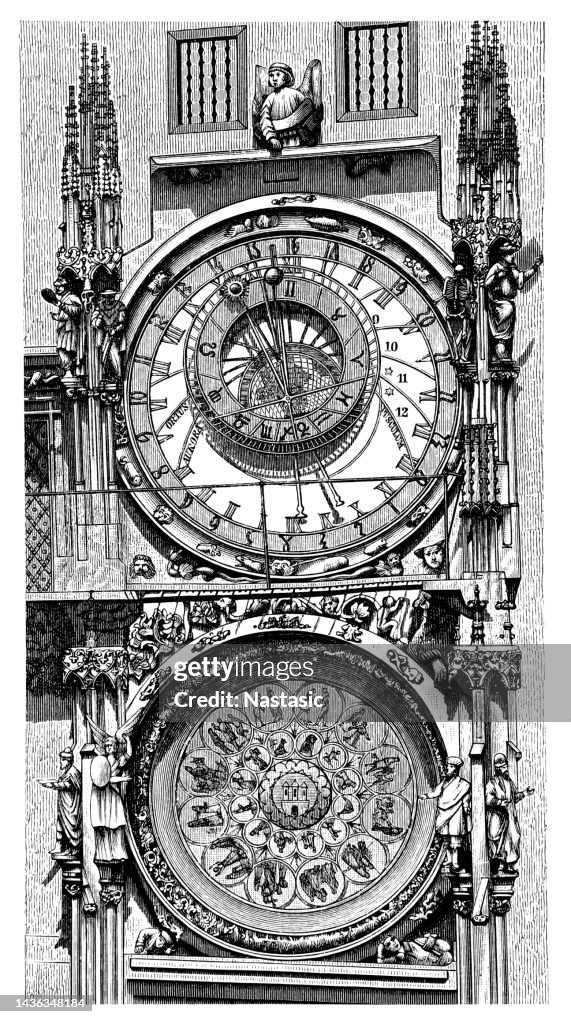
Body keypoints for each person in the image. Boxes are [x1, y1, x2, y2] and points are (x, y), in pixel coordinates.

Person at [484, 246, 543, 360]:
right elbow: (486, 283)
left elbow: (523, 276)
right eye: (509, 254)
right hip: (498, 303)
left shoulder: (512, 269)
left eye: (512, 254)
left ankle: (501, 349)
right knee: (503, 322)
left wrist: (535, 267)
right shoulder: (497, 267)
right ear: (503, 256)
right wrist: (498, 276)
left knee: (508, 316)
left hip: (508, 303)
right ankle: (499, 348)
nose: (512, 256)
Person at [420, 756, 471, 871]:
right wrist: (425, 796)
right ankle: (449, 859)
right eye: (447, 766)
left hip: (455, 812)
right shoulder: (444, 782)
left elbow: (465, 797)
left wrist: (466, 805)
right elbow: (436, 793)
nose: (447, 768)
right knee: (446, 837)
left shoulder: (463, 784)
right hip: (443, 812)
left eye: (451, 766)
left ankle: (455, 861)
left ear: (456, 769)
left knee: (455, 838)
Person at [485, 752, 534, 872]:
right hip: (498, 816)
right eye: (503, 767)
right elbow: (488, 799)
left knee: (513, 838)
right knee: (498, 839)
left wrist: (524, 793)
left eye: (506, 766)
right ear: (497, 769)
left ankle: (510, 864)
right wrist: (500, 803)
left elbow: (514, 797)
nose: (506, 769)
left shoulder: (510, 782)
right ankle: (501, 865)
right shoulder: (492, 783)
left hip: (510, 816)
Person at [90, 734, 131, 863]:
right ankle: (103, 854)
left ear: (116, 747)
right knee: (103, 825)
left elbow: (128, 755)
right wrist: (122, 779)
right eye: (106, 746)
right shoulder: (101, 761)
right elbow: (104, 779)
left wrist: (128, 740)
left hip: (113, 795)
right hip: (103, 795)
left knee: (117, 824)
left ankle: (118, 853)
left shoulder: (118, 761)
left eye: (111, 745)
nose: (108, 747)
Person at [257, 63, 314, 150]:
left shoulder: (296, 94)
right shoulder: (270, 99)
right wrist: (271, 137)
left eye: (278, 75)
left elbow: (306, 110)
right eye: (271, 75)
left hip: (297, 138)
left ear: (286, 77)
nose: (274, 78)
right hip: (278, 140)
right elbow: (265, 119)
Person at [39, 747, 82, 859]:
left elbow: (68, 785)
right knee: (60, 826)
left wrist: (51, 785)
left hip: (71, 808)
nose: (60, 762)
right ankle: (60, 847)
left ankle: (72, 849)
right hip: (64, 807)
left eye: (63, 760)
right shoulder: (67, 772)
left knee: (70, 827)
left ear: (69, 760)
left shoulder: (73, 772)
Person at [49, 277, 83, 374]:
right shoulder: (63, 298)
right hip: (63, 329)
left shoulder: (73, 297)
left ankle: (69, 371)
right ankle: (67, 371)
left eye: (60, 286)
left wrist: (61, 305)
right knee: (62, 349)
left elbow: (78, 310)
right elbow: (65, 315)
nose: (57, 289)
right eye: (56, 287)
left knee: (68, 349)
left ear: (66, 286)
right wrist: (57, 317)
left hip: (71, 329)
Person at [91, 289, 126, 378]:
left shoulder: (120, 306)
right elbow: (94, 321)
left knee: (114, 355)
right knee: (103, 355)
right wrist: (97, 321)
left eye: (110, 297)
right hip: (104, 335)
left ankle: (117, 375)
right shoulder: (100, 306)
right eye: (106, 297)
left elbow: (122, 323)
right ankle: (106, 375)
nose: (108, 299)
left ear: (113, 297)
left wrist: (115, 330)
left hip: (116, 336)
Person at [443, 264, 476, 360]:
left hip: (463, 312)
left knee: (464, 335)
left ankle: (462, 355)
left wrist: (472, 311)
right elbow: (445, 294)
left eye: (460, 274)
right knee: (452, 335)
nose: (458, 276)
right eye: (457, 274)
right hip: (450, 312)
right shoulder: (448, 281)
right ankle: (456, 355)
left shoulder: (467, 283)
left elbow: (471, 297)